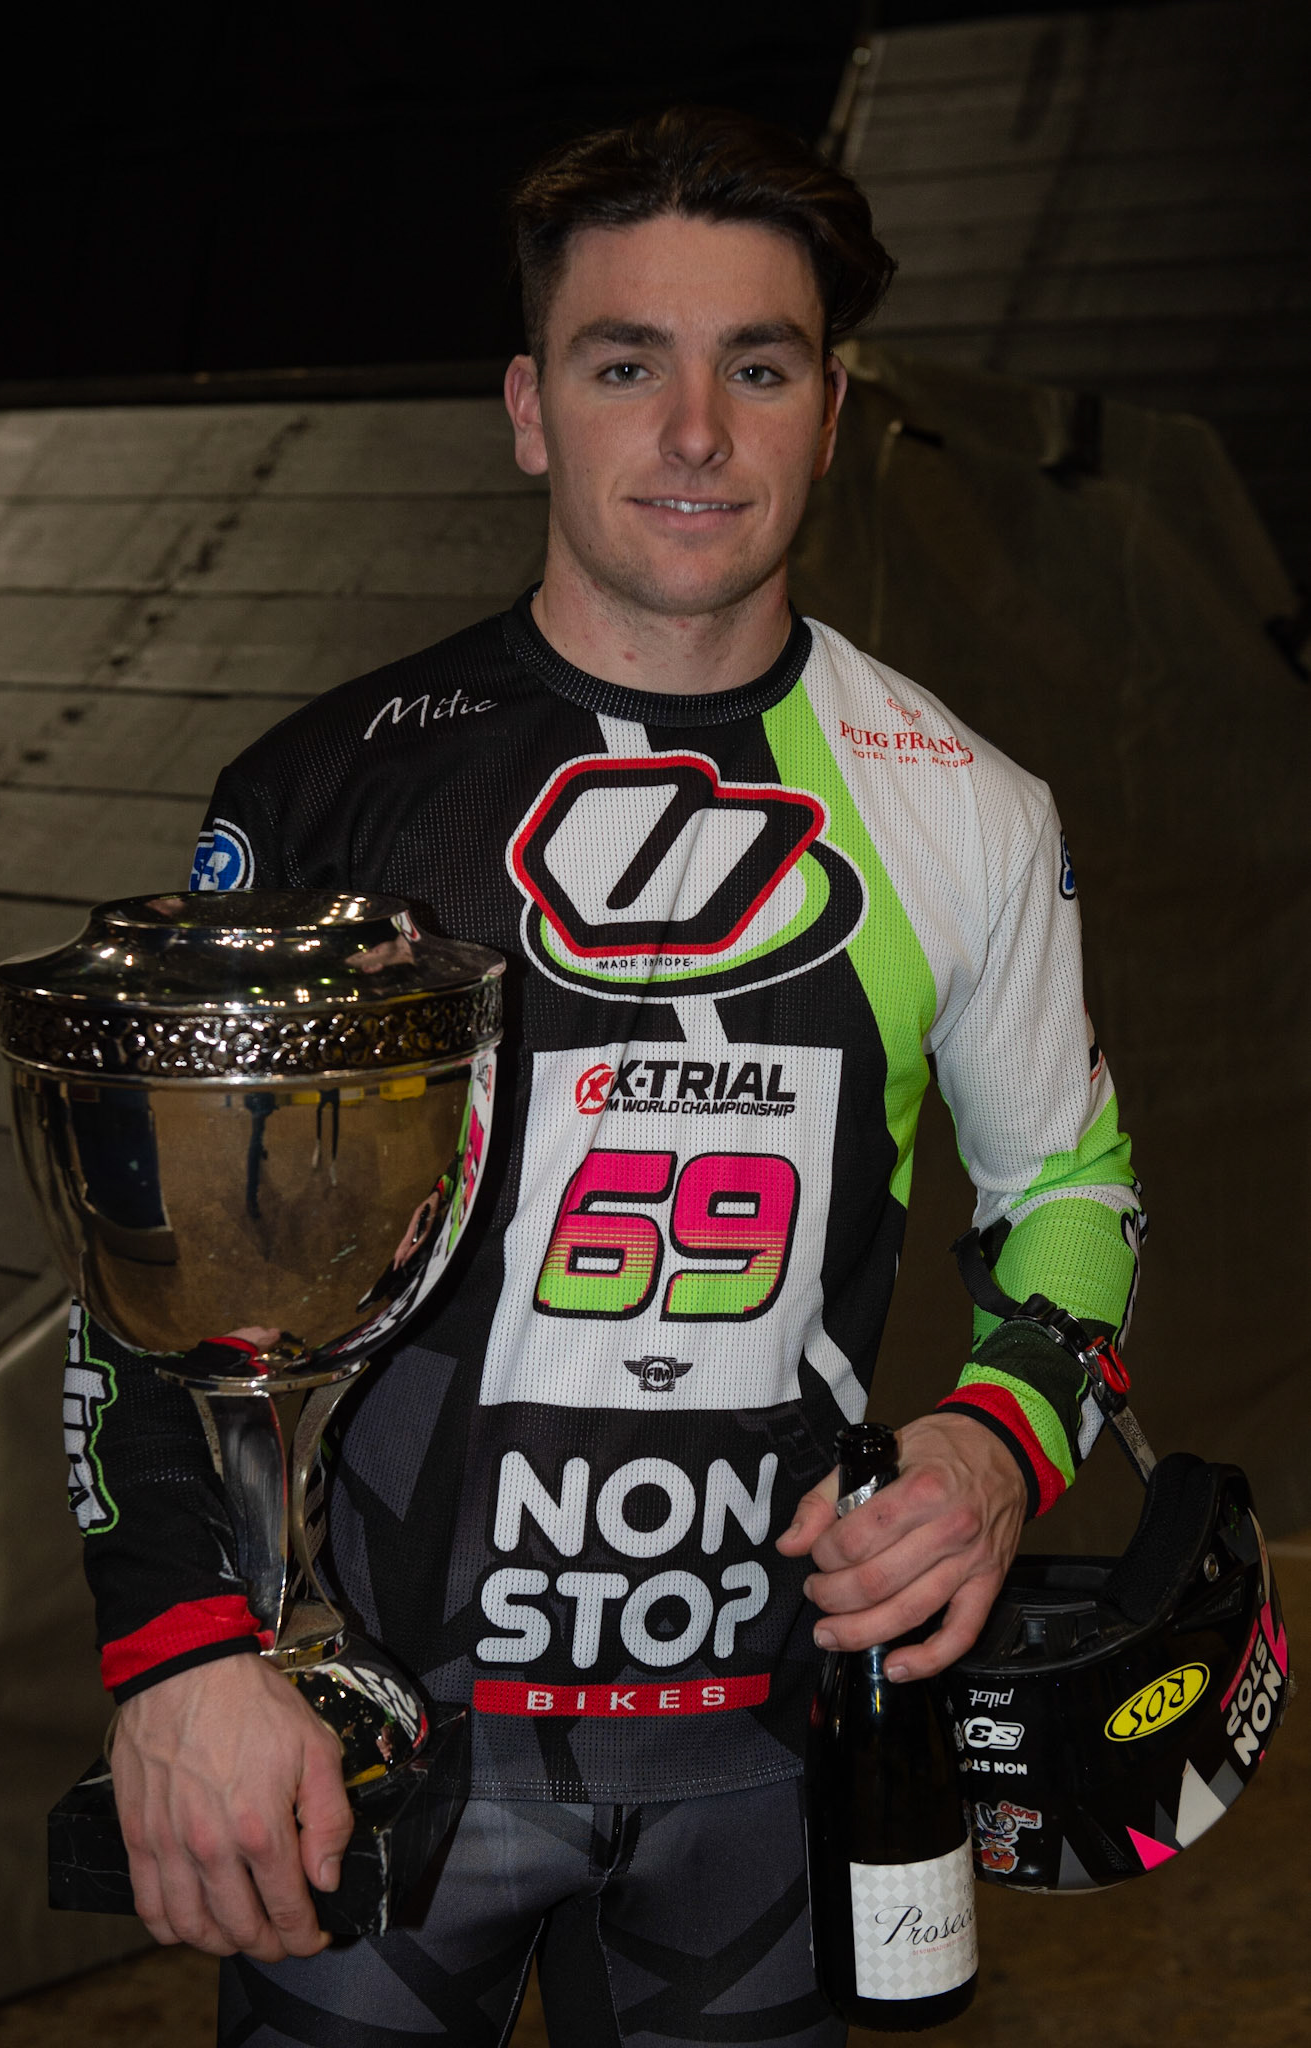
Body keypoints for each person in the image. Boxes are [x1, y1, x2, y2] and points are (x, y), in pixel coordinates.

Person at [69, 106, 1145, 2046]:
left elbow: (1070, 1190)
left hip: (767, 1746)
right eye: (622, 361)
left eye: (760, 365)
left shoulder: (963, 808)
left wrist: (997, 1442)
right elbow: (151, 1284)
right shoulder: (323, 798)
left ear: (830, 410)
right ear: (524, 408)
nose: (696, 433)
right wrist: (176, 1654)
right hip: (368, 1728)